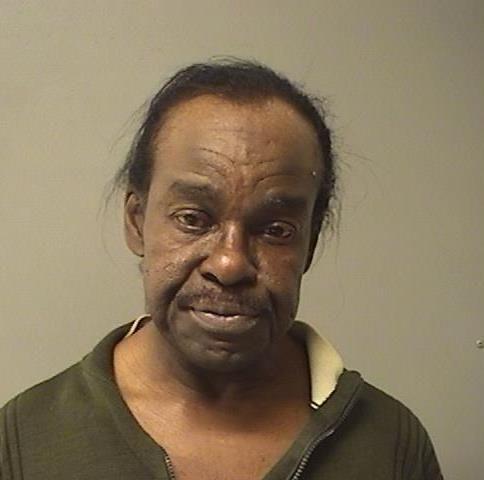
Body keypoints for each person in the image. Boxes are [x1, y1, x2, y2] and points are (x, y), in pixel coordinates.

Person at [0, 59, 443, 480]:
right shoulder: (23, 442)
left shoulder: (390, 445)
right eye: (193, 219)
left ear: (310, 243)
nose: (229, 264)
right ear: (136, 222)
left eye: (276, 229)